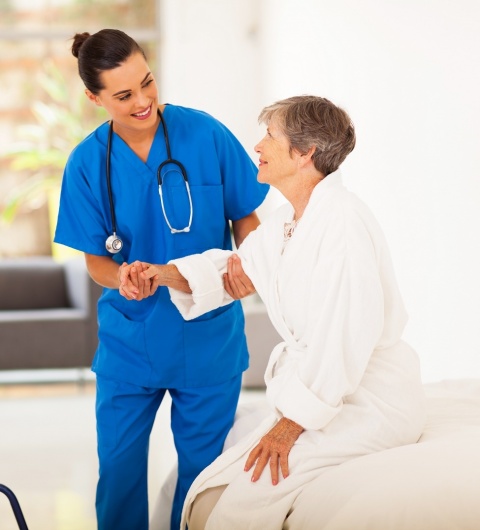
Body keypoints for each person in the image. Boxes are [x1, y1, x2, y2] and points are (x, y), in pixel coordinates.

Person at [135, 95, 427, 529]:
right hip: (324, 391)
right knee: (219, 473)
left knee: (251, 491)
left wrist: (289, 427)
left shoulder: (341, 224)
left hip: (367, 397)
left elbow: (340, 341)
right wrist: (161, 274)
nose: (258, 146)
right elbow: (235, 268)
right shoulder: (291, 220)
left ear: (304, 153)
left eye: (270, 136)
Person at [53, 29, 269, 530]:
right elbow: (96, 261)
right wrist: (121, 277)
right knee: (120, 473)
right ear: (94, 97)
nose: (144, 101)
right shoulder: (88, 163)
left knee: (202, 480)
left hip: (208, 336)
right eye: (124, 96)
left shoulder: (205, 134)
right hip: (132, 339)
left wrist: (250, 265)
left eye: (147, 83)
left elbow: (247, 219)